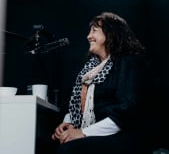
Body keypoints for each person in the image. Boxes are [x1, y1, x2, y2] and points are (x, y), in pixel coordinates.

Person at [51, 12, 152, 153]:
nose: (88, 36)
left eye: (94, 31)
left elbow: (126, 112)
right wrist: (69, 122)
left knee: (68, 150)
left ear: (111, 33)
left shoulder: (129, 62)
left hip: (123, 136)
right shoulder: (91, 68)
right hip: (97, 134)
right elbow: (81, 102)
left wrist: (83, 133)